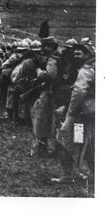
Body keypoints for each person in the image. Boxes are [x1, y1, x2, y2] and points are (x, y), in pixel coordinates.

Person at [51, 40, 95, 184]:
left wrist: (69, 113)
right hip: (88, 113)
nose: (75, 55)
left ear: (87, 54)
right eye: (75, 52)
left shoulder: (85, 71)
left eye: (79, 53)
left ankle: (68, 174)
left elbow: (79, 92)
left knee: (63, 139)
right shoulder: (93, 68)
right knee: (85, 143)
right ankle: (88, 174)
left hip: (79, 114)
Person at [30, 36, 60, 157]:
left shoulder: (53, 59)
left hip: (52, 92)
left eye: (45, 46)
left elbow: (50, 75)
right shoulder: (58, 56)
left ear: (50, 47)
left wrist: (39, 72)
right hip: (56, 92)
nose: (42, 48)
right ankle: (50, 148)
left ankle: (44, 148)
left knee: (42, 118)